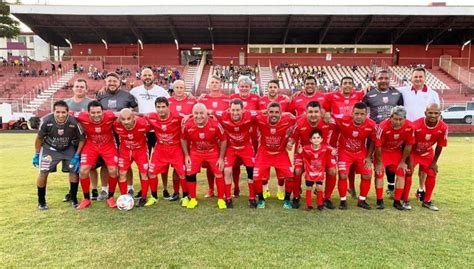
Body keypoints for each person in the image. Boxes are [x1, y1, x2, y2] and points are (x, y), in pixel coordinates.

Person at [33, 100, 85, 209]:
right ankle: (41, 201)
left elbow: (82, 139)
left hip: (67, 148)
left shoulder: (73, 122)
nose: (60, 115)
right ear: (53, 112)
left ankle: (73, 197)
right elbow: (39, 138)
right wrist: (37, 154)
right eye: (57, 112)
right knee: (43, 173)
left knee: (74, 171)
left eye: (63, 112)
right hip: (50, 149)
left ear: (68, 112)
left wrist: (77, 155)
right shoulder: (46, 121)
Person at [130, 68, 172, 199]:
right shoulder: (134, 91)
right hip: (142, 131)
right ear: (141, 77)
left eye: (149, 75)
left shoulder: (161, 91)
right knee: (143, 162)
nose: (147, 77)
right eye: (144, 75)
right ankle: (145, 189)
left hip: (159, 130)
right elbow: (128, 107)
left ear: (153, 76)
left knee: (163, 161)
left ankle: (165, 189)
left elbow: (171, 105)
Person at [289, 101, 338, 209]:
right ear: (306, 112)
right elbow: (292, 138)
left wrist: (330, 114)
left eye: (316, 112)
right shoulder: (300, 123)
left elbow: (342, 124)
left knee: (332, 171)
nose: (313, 114)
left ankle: (327, 198)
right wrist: (289, 143)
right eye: (310, 112)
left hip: (323, 152)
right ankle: (296, 197)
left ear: (321, 113)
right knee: (297, 171)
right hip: (304, 152)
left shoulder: (328, 122)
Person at [96, 72, 138, 197]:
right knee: (105, 163)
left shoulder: (127, 96)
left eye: (114, 81)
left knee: (126, 162)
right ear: (106, 82)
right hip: (106, 134)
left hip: (123, 133)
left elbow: (135, 110)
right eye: (109, 81)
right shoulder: (100, 95)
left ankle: (130, 187)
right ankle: (104, 189)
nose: (112, 83)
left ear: (119, 82)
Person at [363, 70, 404, 197]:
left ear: (390, 79)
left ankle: (391, 187)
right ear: (376, 79)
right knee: (374, 161)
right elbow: (361, 111)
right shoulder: (369, 94)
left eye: (386, 78)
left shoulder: (397, 93)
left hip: (392, 133)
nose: (383, 80)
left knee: (391, 162)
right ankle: (368, 192)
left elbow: (401, 112)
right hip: (375, 134)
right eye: (381, 78)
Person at [324, 76, 365, 199]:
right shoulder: (331, 96)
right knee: (330, 158)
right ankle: (319, 186)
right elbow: (323, 107)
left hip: (352, 130)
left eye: (349, 83)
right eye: (345, 83)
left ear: (353, 86)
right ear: (340, 85)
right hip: (336, 130)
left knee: (351, 162)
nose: (347, 85)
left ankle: (351, 187)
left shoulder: (358, 95)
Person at [180, 103, 227, 209]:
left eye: (202, 113)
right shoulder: (187, 124)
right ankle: (192, 199)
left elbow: (224, 140)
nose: (199, 116)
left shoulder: (215, 124)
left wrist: (221, 157)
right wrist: (187, 155)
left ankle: (220, 199)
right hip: (196, 152)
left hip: (212, 151)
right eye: (196, 113)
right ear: (192, 114)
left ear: (207, 113)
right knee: (190, 173)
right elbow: (182, 139)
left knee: (219, 172)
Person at [75, 101, 119, 209]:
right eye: (93, 113)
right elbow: (66, 113)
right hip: (91, 145)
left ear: (103, 111)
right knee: (83, 170)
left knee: (113, 170)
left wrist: (143, 116)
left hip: (108, 145)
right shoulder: (81, 116)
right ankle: (86, 199)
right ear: (88, 113)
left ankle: (110, 197)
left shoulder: (110, 115)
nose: (96, 115)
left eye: (99, 112)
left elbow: (125, 113)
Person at [215, 99, 258, 208]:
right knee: (227, 170)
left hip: (246, 147)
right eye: (233, 110)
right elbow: (208, 111)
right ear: (229, 110)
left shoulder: (249, 115)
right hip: (231, 147)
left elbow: (265, 112)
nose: (235, 113)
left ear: (243, 110)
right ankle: (228, 197)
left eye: (238, 110)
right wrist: (188, 116)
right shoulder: (223, 115)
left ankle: (252, 197)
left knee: (251, 171)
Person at [334, 102, 376, 210]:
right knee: (343, 175)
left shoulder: (371, 124)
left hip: (361, 152)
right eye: (356, 113)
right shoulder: (343, 119)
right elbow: (331, 116)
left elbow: (374, 141)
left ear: (366, 114)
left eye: (362, 114)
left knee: (367, 174)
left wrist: (368, 156)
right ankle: (343, 200)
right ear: (352, 113)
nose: (359, 117)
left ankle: (362, 200)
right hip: (344, 151)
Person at [254, 102, 296, 209]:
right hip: (264, 153)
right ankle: (261, 199)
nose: (274, 114)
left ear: (281, 113)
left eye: (277, 112)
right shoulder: (260, 119)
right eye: (271, 112)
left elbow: (300, 123)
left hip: (280, 153)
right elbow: (247, 114)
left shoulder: (288, 119)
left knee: (290, 176)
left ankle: (287, 200)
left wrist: (292, 139)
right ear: (267, 113)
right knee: (256, 177)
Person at [146, 97, 187, 206]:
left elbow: (189, 117)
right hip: (160, 149)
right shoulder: (152, 117)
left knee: (182, 173)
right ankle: (154, 197)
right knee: (151, 173)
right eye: (158, 107)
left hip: (175, 148)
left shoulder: (177, 118)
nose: (161, 110)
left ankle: (185, 196)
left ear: (168, 107)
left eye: (163, 107)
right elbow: (140, 116)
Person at [408, 103, 448, 211]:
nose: (433, 115)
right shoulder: (415, 125)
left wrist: (434, 162)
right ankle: (404, 198)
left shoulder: (443, 127)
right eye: (430, 112)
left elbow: (440, 146)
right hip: (413, 152)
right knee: (408, 172)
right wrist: (408, 158)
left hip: (427, 152)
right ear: (425, 113)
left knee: (432, 173)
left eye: (436, 113)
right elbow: (408, 143)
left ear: (439, 114)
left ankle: (427, 200)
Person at [374, 106, 414, 210]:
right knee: (379, 173)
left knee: (401, 172)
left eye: (400, 119)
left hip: (396, 152)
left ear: (405, 118)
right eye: (395, 119)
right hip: (383, 152)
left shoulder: (410, 126)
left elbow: (409, 145)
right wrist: (379, 162)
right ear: (390, 117)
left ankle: (397, 201)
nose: (397, 122)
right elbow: (377, 146)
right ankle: (379, 200)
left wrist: (402, 161)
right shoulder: (382, 126)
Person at [198, 76, 230, 198]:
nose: (215, 84)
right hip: (208, 138)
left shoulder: (227, 100)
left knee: (223, 164)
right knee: (210, 166)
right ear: (209, 85)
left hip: (222, 136)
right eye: (212, 82)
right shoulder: (202, 99)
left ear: (220, 85)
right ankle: (211, 189)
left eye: (217, 82)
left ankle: (227, 189)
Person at [62, 79, 93, 203]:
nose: (79, 88)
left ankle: (93, 190)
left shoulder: (92, 103)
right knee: (72, 168)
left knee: (89, 168)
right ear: (73, 88)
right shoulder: (65, 103)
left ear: (86, 89)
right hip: (71, 141)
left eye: (82, 87)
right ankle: (72, 192)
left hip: (87, 139)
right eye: (77, 86)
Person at [229, 76, 260, 197]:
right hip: (236, 137)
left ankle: (255, 190)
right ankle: (236, 188)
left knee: (252, 165)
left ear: (251, 88)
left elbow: (262, 114)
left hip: (252, 137)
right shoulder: (232, 98)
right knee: (235, 164)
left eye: (246, 86)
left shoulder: (256, 98)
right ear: (238, 87)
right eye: (242, 86)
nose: (244, 89)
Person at [113, 108, 151, 208]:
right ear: (119, 119)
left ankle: (143, 197)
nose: (126, 122)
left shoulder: (143, 124)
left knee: (144, 173)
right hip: (125, 151)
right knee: (122, 173)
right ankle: (123, 196)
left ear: (134, 117)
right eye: (123, 119)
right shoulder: (116, 124)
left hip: (141, 150)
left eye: (129, 118)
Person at [298, 129, 335, 210]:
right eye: (314, 138)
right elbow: (300, 152)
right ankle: (309, 205)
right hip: (309, 174)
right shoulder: (306, 148)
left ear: (321, 139)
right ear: (310, 140)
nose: (316, 139)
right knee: (309, 188)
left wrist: (333, 151)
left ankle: (320, 205)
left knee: (319, 187)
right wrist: (300, 151)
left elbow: (333, 150)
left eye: (318, 137)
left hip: (319, 173)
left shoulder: (325, 148)